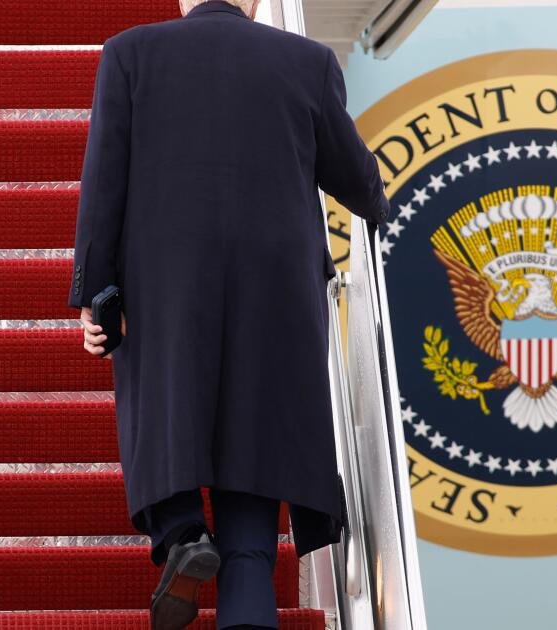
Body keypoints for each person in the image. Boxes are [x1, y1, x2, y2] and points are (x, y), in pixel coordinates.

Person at [68, 0, 389, 628]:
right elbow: (356, 180)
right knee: (252, 520)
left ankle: (183, 531)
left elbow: (104, 182)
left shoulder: (130, 54)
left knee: (164, 415)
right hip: (275, 300)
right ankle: (242, 592)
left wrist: (95, 292)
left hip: (165, 292)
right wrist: (380, 205)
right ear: (256, 2)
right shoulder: (307, 62)